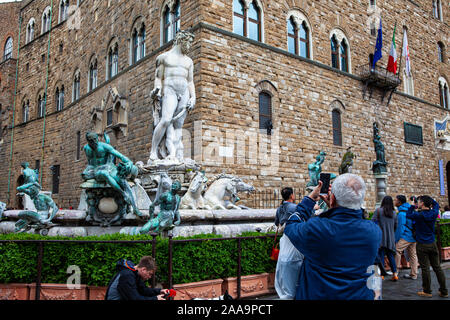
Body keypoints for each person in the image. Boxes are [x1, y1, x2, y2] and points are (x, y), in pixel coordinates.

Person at [284, 173, 382, 300]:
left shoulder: (317, 228)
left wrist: (309, 200)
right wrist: (335, 207)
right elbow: (372, 266)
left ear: (333, 198)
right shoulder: (374, 231)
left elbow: (291, 225)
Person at [149, 31, 196, 162]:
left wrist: (193, 97)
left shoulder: (189, 61)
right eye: (188, 43)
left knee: (178, 125)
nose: (190, 46)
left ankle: (175, 154)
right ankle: (153, 151)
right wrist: (157, 89)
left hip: (184, 92)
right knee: (166, 120)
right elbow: (158, 78)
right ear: (181, 41)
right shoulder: (164, 57)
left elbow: (190, 81)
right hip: (170, 90)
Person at [406, 195, 448, 298]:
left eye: (419, 202)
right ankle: (444, 291)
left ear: (422, 204)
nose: (418, 203)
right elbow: (436, 205)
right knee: (437, 267)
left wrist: (413, 206)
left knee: (425, 268)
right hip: (432, 243)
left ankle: (427, 290)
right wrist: (431, 200)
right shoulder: (433, 213)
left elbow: (408, 214)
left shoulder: (419, 215)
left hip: (422, 244)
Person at [372, 196, 398, 281]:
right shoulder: (394, 213)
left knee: (381, 256)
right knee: (391, 256)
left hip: (380, 237)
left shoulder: (378, 211)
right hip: (390, 237)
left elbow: (373, 222)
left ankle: (381, 275)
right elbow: (396, 226)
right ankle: (395, 274)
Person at [394, 195, 418, 280]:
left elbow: (401, 227)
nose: (394, 201)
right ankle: (414, 274)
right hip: (413, 236)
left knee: (397, 250)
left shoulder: (401, 213)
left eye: (395, 200)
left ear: (399, 202)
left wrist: (396, 239)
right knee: (413, 254)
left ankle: (395, 272)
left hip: (406, 236)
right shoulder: (410, 209)